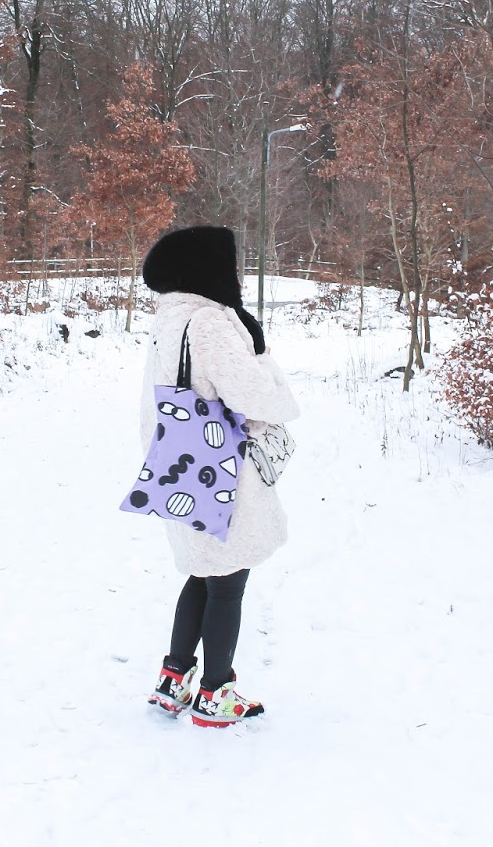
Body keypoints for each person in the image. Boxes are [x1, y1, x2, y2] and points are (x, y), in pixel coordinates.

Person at [137, 225, 300, 728]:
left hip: (180, 460)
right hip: (222, 466)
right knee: (228, 582)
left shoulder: (169, 317)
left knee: (202, 572)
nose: (237, 276)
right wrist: (263, 356)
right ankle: (215, 693)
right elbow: (257, 396)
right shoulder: (209, 321)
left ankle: (174, 680)